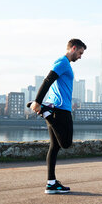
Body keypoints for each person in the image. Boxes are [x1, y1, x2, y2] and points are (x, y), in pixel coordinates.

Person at [31, 38, 86, 194]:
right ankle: (45, 113)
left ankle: (51, 183)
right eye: (80, 53)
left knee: (54, 147)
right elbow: (48, 80)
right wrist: (37, 102)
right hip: (60, 109)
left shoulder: (64, 64)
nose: (80, 57)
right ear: (73, 48)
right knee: (66, 143)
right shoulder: (62, 63)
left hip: (57, 107)